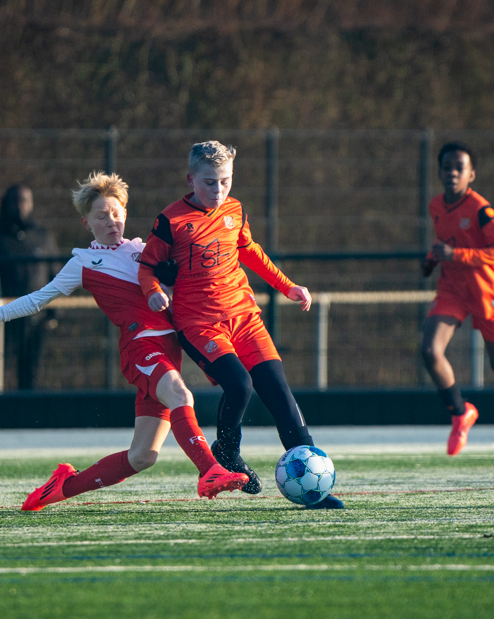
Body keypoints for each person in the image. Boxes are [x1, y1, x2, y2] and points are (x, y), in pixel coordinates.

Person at [0, 171, 249, 510]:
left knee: (143, 456)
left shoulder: (143, 250)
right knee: (181, 393)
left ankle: (61, 486)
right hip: (141, 348)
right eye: (102, 216)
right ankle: (209, 470)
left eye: (117, 213)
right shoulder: (83, 261)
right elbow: (37, 299)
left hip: (169, 351)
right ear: (86, 222)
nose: (112, 221)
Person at [137, 140, 344, 509]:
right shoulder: (171, 220)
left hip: (245, 318)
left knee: (279, 393)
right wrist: (153, 290)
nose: (219, 190)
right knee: (240, 385)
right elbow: (148, 266)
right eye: (210, 182)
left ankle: (315, 491)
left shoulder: (235, 210)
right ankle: (228, 453)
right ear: (190, 179)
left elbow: (251, 252)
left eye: (226, 181)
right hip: (199, 325)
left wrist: (288, 286)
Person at [421, 141, 494, 468]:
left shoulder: (481, 210)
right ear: (440, 171)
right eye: (447, 167)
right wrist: (432, 259)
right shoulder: (436, 205)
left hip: (488, 292)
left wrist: (456, 256)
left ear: (471, 174)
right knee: (430, 350)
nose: (452, 173)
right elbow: (445, 243)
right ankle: (461, 413)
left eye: (459, 168)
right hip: (453, 289)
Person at [0, 184, 59, 390]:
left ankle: (29, 421)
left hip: (36, 320)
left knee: (30, 377)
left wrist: (53, 315)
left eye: (25, 200)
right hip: (2, 320)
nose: (20, 206)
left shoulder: (43, 238)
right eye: (16, 201)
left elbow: (56, 276)